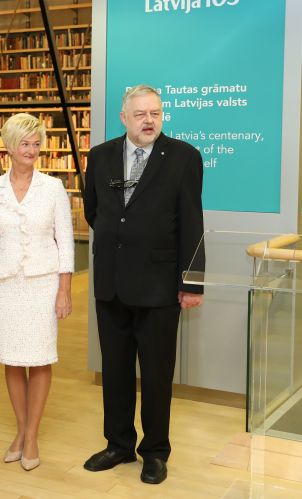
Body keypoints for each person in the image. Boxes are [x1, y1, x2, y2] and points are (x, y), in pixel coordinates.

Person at [82, 85, 205, 484]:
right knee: (115, 372)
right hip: (112, 284)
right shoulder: (100, 156)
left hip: (159, 288)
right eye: (140, 114)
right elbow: (94, 211)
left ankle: (154, 452)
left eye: (155, 113)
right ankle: (118, 444)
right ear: (124, 118)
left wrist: (192, 284)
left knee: (155, 376)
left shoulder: (184, 157)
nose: (149, 121)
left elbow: (192, 223)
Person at [0, 113, 74, 471]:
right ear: (9, 148)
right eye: (24, 144)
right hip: (4, 285)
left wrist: (64, 290)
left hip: (43, 283)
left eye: (36, 144)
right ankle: (20, 430)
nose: (31, 150)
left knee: (40, 357)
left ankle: (31, 436)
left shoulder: (54, 188)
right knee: (13, 359)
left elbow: (66, 242)